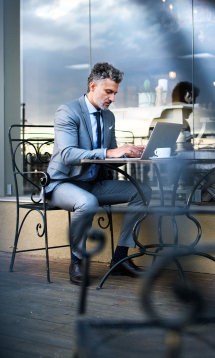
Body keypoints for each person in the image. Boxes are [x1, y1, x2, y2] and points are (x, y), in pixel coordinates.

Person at [45, 62, 152, 285]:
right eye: (109, 92)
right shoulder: (68, 111)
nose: (112, 98)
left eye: (115, 93)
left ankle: (121, 258)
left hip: (94, 182)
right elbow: (67, 154)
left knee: (143, 190)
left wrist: (128, 154)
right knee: (88, 202)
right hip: (62, 183)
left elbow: (109, 158)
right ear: (93, 86)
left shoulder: (108, 117)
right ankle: (77, 262)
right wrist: (111, 151)